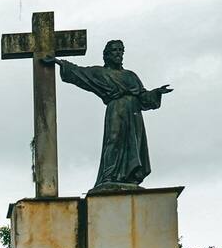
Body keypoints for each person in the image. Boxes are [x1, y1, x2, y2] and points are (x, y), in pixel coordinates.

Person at [43, 40, 172, 191]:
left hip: (134, 114)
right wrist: (58, 62)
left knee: (133, 144)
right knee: (114, 141)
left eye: (121, 50)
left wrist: (156, 92)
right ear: (107, 55)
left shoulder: (131, 76)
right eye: (115, 50)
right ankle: (108, 176)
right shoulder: (100, 73)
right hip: (116, 110)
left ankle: (129, 176)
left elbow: (143, 97)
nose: (118, 53)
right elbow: (79, 73)